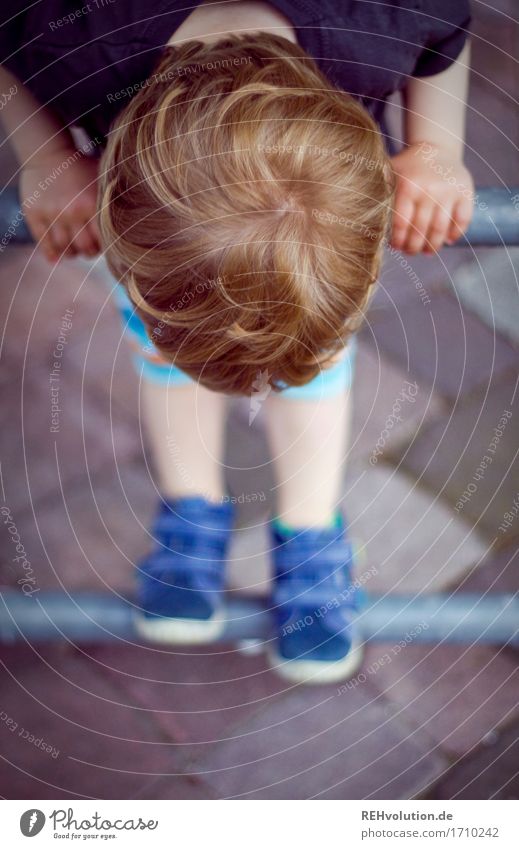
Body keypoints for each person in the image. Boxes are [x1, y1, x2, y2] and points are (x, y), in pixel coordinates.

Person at [0, 0, 473, 683]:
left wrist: (437, 146)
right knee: (169, 361)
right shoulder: (67, 27)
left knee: (306, 366)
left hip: (289, 246)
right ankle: (193, 507)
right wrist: (43, 159)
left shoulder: (383, 14)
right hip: (170, 237)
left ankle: (309, 531)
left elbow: (446, 28)